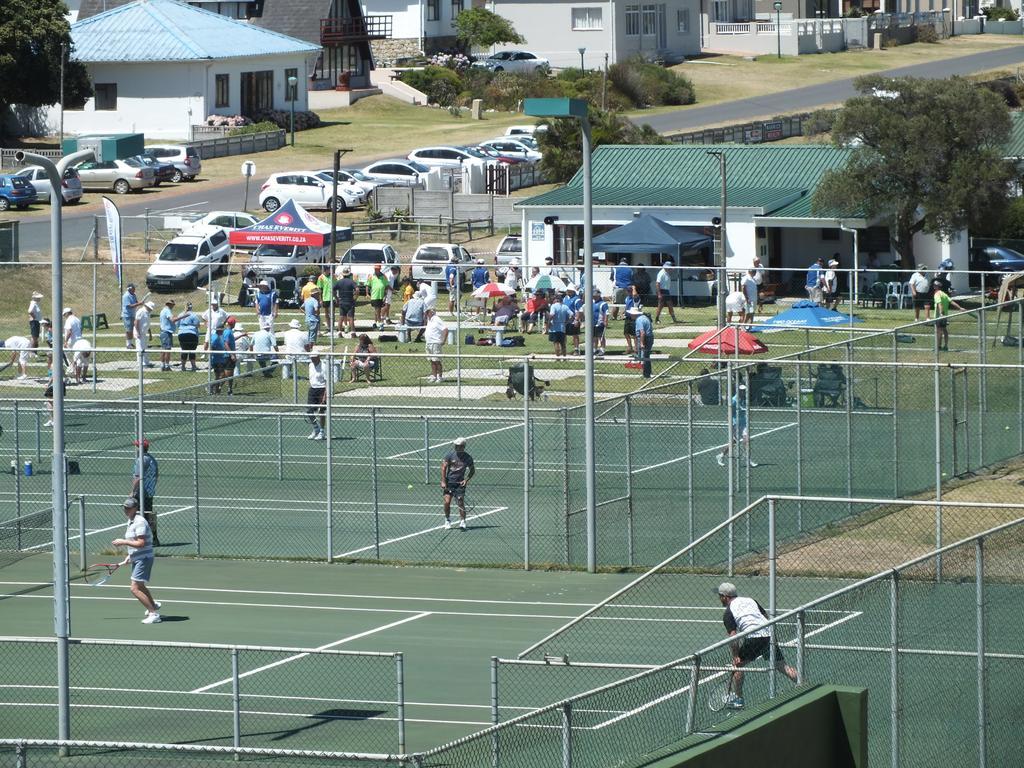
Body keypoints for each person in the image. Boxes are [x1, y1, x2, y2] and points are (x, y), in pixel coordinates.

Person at [715, 582, 797, 709]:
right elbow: (765, 616)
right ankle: (803, 683)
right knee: (782, 666)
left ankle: (739, 699)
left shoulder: (728, 613)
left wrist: (736, 655)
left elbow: (733, 637)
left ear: (725, 597)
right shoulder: (750, 600)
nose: (719, 598)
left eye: (720, 596)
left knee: (737, 667)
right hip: (769, 634)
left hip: (754, 638)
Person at [112, 497, 162, 624]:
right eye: (124, 507)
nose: (125, 510)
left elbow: (141, 543)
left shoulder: (139, 522)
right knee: (140, 585)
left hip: (144, 559)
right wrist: (131, 555)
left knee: (134, 588)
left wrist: (123, 542)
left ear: (135, 508)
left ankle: (153, 614)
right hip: (139, 557)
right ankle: (153, 605)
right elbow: (136, 543)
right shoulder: (131, 520)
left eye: (128, 508)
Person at [717, 384, 757, 468]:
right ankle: (721, 455)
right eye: (741, 390)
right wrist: (731, 425)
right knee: (732, 443)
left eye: (744, 390)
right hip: (735, 424)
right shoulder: (734, 400)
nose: (743, 392)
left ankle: (748, 460)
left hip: (743, 424)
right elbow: (729, 413)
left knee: (746, 441)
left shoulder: (745, 399)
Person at [440, 437, 475, 530]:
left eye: (458, 446)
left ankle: (463, 521)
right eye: (456, 445)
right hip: (449, 483)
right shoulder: (449, 455)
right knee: (447, 502)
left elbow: (472, 470)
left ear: (463, 447)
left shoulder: (468, 458)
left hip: (460, 484)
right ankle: (447, 520)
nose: (456, 447)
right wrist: (443, 481)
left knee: (460, 502)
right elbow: (443, 467)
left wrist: (466, 480)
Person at [131, 438, 160, 545]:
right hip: (149, 492)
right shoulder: (152, 459)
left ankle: (139, 539)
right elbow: (156, 476)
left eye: (137, 446)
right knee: (148, 514)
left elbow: (138, 477)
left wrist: (132, 491)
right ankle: (154, 537)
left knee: (137, 515)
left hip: (140, 492)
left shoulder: (141, 460)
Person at [932, 279, 964, 352]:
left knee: (938, 331)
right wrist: (960, 308)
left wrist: (940, 313)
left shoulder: (937, 294)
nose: (933, 286)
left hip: (939, 316)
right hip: (945, 316)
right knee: (944, 330)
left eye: (934, 285)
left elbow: (939, 304)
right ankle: (945, 346)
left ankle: (938, 347)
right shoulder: (944, 294)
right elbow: (951, 302)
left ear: (936, 287)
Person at [306, 347, 327, 440]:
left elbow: (327, 382)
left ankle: (322, 432)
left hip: (322, 389)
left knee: (321, 411)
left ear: (318, 357)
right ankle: (316, 429)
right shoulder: (310, 365)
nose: (312, 359)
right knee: (309, 411)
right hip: (312, 389)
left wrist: (325, 396)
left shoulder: (324, 366)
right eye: (311, 357)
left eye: (314, 357)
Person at [208, 321, 234, 394]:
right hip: (216, 359)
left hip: (221, 359)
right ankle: (211, 386)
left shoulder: (221, 336)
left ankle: (216, 391)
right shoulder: (215, 337)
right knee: (222, 375)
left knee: (219, 376)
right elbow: (211, 347)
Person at [424, 308, 448, 383]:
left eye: (427, 312)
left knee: (437, 361)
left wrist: (443, 340)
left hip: (435, 343)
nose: (426, 314)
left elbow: (445, 329)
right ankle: (434, 376)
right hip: (429, 343)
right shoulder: (429, 320)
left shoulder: (436, 319)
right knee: (432, 361)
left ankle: (439, 377)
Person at [176, 302, 202, 371]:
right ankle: (193, 366)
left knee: (184, 350)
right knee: (192, 350)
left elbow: (177, 325)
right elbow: (197, 325)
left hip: (181, 334)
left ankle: (183, 367)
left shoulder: (180, 314)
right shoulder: (193, 315)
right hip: (192, 334)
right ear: (191, 307)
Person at [333, 266, 358, 338]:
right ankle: (353, 333)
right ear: (349, 274)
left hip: (342, 301)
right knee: (351, 318)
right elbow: (357, 290)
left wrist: (336, 298)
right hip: (350, 301)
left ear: (343, 274)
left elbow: (333, 290)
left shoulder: (339, 282)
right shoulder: (351, 282)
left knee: (341, 317)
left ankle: (339, 332)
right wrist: (355, 298)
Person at [547, 293, 572, 359]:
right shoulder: (565, 306)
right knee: (563, 343)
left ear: (556, 300)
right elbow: (571, 314)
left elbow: (552, 315)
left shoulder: (553, 306)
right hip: (562, 326)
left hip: (554, 326)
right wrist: (567, 321)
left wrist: (549, 322)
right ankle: (564, 357)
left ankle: (557, 357)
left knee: (556, 342)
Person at [632, 307, 654, 378]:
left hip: (645, 338)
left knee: (644, 356)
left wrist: (641, 343)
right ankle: (647, 372)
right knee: (646, 356)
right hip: (649, 337)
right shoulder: (644, 317)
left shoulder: (639, 320)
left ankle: (646, 374)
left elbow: (642, 332)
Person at [134, 300, 155, 368]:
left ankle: (146, 362)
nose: (151, 310)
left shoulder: (147, 313)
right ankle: (141, 363)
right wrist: (138, 332)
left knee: (145, 347)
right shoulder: (141, 311)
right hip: (139, 332)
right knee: (140, 348)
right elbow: (136, 322)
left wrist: (150, 333)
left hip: (144, 332)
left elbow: (147, 324)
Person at [158, 299, 178, 372]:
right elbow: (172, 320)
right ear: (169, 304)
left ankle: (162, 365)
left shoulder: (163, 310)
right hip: (167, 332)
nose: (173, 306)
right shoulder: (167, 311)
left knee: (163, 349)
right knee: (167, 349)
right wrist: (181, 317)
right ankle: (166, 365)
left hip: (163, 332)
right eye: (172, 305)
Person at [121, 284, 142, 349]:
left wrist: (140, 303)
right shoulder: (126, 296)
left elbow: (136, 302)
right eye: (133, 288)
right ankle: (128, 344)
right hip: (127, 315)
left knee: (132, 329)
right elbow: (129, 306)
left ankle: (130, 343)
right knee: (129, 330)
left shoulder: (134, 295)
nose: (134, 289)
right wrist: (139, 303)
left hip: (133, 314)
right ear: (129, 289)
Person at [563, 284, 583, 355]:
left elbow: (579, 310)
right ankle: (564, 349)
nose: (567, 292)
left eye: (569, 290)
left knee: (575, 335)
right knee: (564, 335)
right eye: (567, 290)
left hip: (573, 320)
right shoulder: (565, 298)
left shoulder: (577, 299)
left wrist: (577, 320)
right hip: (565, 320)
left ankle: (576, 349)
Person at [591, 289, 609, 357]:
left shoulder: (603, 304)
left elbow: (606, 313)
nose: (594, 297)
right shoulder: (592, 303)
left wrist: (605, 321)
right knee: (594, 337)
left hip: (600, 323)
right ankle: (594, 349)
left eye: (595, 296)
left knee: (601, 337)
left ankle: (602, 349)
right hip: (593, 323)